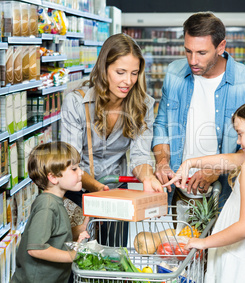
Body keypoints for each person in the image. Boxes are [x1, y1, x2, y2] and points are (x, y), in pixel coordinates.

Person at [164, 99, 245, 283]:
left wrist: (203, 243)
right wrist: (190, 163)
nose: (238, 141)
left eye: (240, 134)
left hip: (242, 257)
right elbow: (233, 158)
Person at [152, 12, 245, 207]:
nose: (192, 60)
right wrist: (162, 161)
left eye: (201, 53)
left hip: (231, 195)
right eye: (188, 51)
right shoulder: (174, 73)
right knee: (180, 238)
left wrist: (215, 170)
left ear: (220, 47)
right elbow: (162, 125)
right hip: (179, 189)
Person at [61, 33, 162, 246]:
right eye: (120, 72)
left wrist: (147, 178)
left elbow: (140, 154)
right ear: (104, 69)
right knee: (79, 259)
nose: (128, 81)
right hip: (78, 192)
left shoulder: (142, 106)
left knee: (113, 256)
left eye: (134, 73)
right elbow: (70, 162)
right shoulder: (77, 102)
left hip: (115, 193)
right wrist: (97, 187)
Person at [11, 141, 89, 283]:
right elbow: (36, 249)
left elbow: (55, 236)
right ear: (53, 177)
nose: (81, 172)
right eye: (74, 169)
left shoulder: (55, 201)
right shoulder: (47, 205)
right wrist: (71, 255)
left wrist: (78, 231)